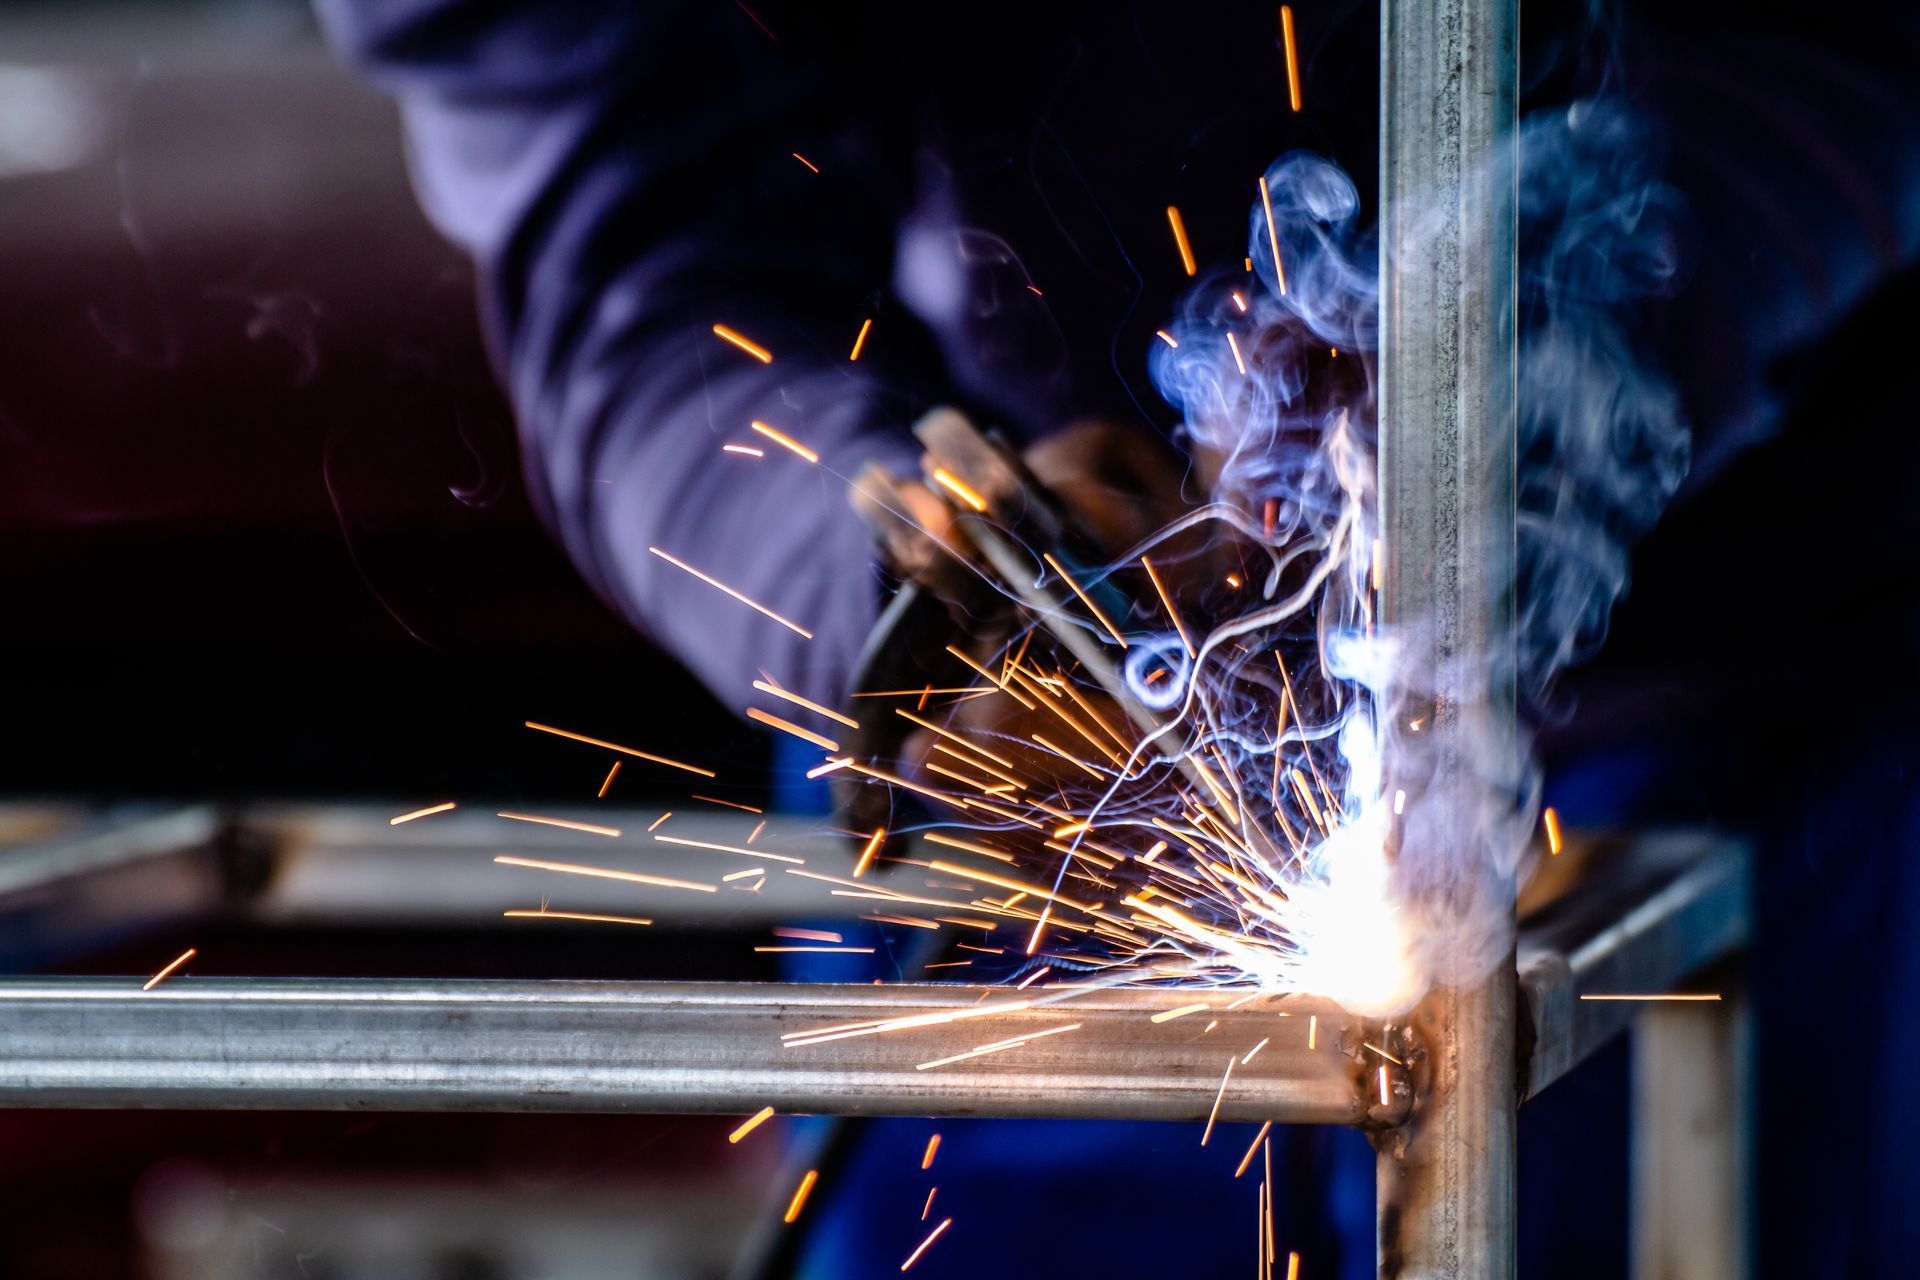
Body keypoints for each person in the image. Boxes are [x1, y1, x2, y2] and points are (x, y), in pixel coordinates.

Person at [317, 1, 1920, 1275]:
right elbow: (641, 252)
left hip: (1734, 661)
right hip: (1045, 773)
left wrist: (1562, 343)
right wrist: (883, 585)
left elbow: (1853, 45)